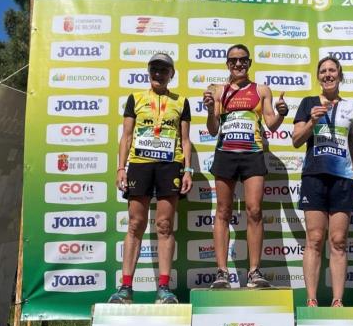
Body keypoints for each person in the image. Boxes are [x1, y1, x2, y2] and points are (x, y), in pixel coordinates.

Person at [203, 44, 289, 289]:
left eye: (242, 60)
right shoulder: (219, 91)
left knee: (254, 211)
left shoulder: (261, 90)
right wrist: (211, 109)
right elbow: (212, 129)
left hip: (252, 154)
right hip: (226, 154)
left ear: (249, 63)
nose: (238, 64)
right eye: (233, 61)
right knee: (222, 211)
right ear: (227, 64)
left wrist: (283, 112)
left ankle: (254, 272)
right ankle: (221, 272)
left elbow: (271, 124)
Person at [111, 53, 193, 303]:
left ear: (172, 74)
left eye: (164, 69)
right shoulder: (135, 98)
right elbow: (126, 136)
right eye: (154, 69)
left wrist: (188, 170)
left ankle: (164, 289)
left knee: (165, 226)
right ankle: (125, 288)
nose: (158, 73)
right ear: (149, 72)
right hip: (139, 165)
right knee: (135, 224)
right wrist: (120, 168)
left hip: (170, 166)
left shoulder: (181, 101)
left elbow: (186, 139)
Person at [292, 56, 353, 307]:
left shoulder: (351, 108)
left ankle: (338, 301)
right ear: (318, 76)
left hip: (343, 179)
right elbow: (296, 140)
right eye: (323, 71)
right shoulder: (308, 103)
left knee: (338, 241)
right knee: (314, 239)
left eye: (332, 70)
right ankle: (311, 299)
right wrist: (313, 121)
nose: (327, 74)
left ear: (340, 74)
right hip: (314, 177)